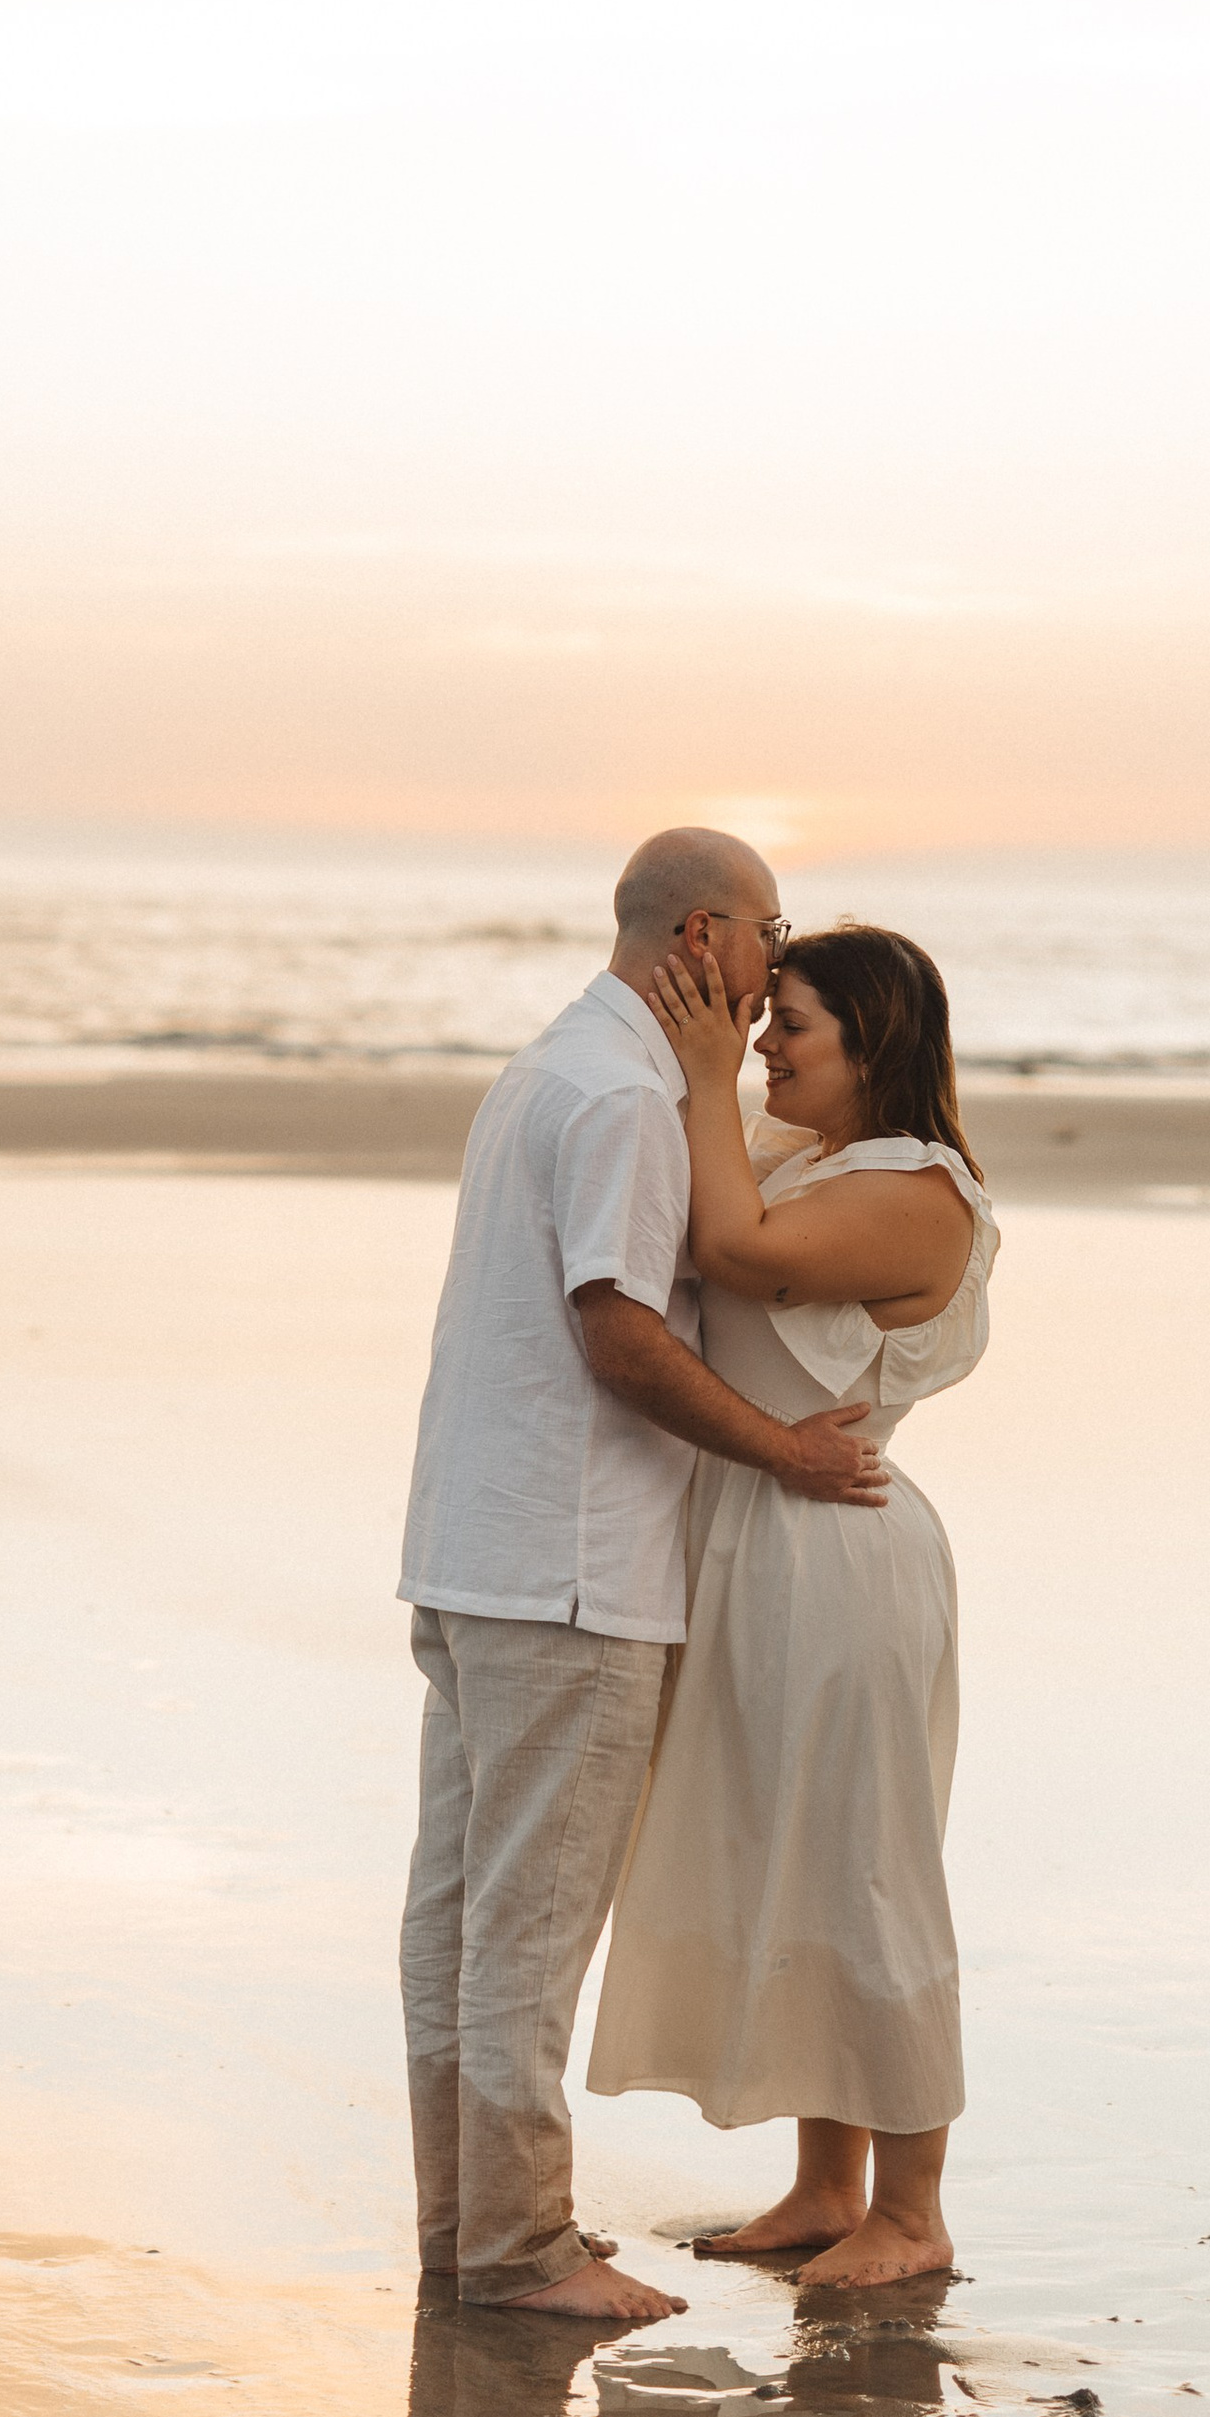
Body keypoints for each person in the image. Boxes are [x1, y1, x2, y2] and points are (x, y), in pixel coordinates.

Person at [396, 827, 893, 2322]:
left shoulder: (551, 1066)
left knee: (461, 1921)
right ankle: (521, 2249)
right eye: (766, 933)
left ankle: (466, 2229)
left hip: (475, 1551)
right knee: (528, 1929)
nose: (771, 964)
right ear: (700, 936)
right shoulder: (622, 1097)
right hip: (571, 1568)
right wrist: (784, 1452)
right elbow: (619, 1335)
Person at [587, 922, 997, 2288]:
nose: (765, 1045)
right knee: (792, 1852)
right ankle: (828, 2188)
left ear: (871, 1041)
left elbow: (736, 1251)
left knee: (868, 1870)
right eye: (764, 1023)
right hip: (756, 1534)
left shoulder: (915, 1191)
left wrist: (709, 1072)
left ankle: (913, 2214)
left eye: (792, 1024)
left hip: (838, 1547)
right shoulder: (807, 1156)